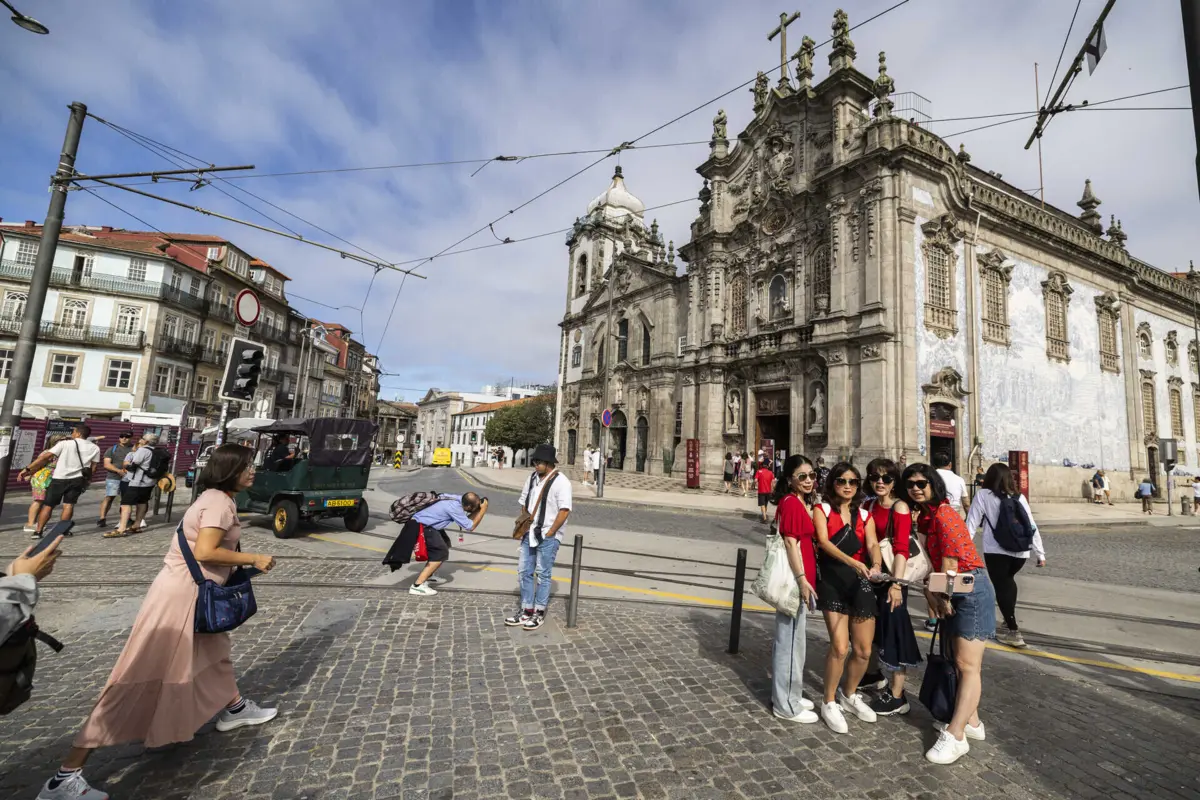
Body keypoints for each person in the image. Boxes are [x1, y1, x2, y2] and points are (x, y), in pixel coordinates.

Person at [37, 445, 278, 800]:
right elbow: (205, 551)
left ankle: (234, 708)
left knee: (214, 656)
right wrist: (254, 557)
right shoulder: (219, 503)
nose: (253, 471)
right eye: (247, 465)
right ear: (230, 469)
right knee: (137, 673)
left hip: (188, 593)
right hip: (180, 598)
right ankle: (65, 775)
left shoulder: (215, 497)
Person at [903, 462, 995, 765]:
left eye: (921, 483)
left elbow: (952, 564)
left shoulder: (943, 514)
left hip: (969, 586)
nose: (916, 488)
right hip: (956, 588)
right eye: (910, 484)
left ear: (934, 485)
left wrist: (941, 598)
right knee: (958, 661)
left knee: (968, 665)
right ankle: (972, 722)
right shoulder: (927, 517)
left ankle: (956, 735)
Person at [813, 462, 883, 734]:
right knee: (840, 647)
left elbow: (873, 544)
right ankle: (828, 700)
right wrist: (854, 564)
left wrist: (875, 564)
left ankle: (849, 693)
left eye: (853, 482)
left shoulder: (865, 516)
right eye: (842, 480)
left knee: (864, 650)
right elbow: (824, 542)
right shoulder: (823, 509)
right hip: (833, 580)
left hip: (860, 581)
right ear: (832, 483)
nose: (847, 485)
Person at [863, 458, 921, 717]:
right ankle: (874, 674)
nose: (880, 482)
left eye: (886, 478)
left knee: (895, 630)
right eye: (875, 477)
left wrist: (896, 585)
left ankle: (898, 695)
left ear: (894, 482)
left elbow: (901, 549)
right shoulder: (869, 504)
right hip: (874, 578)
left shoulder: (900, 508)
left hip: (892, 581)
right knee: (873, 628)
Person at [966, 463, 1046, 649]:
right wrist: (1040, 553)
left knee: (1002, 586)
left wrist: (965, 550)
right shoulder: (1019, 497)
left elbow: (971, 523)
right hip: (1020, 552)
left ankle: (1013, 630)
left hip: (996, 550)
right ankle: (1008, 618)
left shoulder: (983, 495)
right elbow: (1031, 525)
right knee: (1008, 582)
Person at [769, 454, 819, 724]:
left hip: (802, 580)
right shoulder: (790, 503)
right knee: (788, 644)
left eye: (812, 475)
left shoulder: (799, 501)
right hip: (794, 582)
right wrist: (802, 580)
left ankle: (792, 693)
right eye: (802, 476)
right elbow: (790, 544)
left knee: (795, 643)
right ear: (790, 480)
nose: (809, 480)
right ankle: (784, 704)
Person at [506, 444, 572, 630]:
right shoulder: (532, 478)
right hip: (530, 532)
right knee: (524, 571)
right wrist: (525, 523)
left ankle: (539, 612)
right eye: (534, 461)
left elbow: (564, 511)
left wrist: (550, 533)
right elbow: (524, 503)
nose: (535, 464)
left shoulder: (561, 482)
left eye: (539, 462)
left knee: (543, 573)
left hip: (547, 535)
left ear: (549, 463)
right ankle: (526, 610)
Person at [384, 492, 488, 594]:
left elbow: (465, 520)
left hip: (429, 525)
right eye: (474, 507)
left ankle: (429, 576)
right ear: (468, 506)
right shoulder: (454, 507)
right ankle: (418, 586)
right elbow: (470, 526)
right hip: (423, 526)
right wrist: (483, 509)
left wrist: (477, 509)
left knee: (445, 544)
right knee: (440, 553)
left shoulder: (457, 499)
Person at [18, 423, 100, 538]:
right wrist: (88, 481)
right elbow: (94, 467)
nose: (72, 434)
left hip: (59, 478)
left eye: (73, 432)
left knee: (48, 506)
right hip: (78, 480)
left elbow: (44, 457)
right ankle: (63, 530)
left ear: (78, 433)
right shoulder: (95, 448)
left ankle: (38, 531)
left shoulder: (65, 444)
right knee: (69, 505)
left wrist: (27, 469)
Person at [104, 433, 159, 539]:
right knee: (142, 502)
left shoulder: (143, 450)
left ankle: (121, 529)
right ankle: (137, 525)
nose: (140, 440)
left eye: (142, 439)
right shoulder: (156, 451)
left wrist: (127, 465)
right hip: (150, 481)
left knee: (125, 504)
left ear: (146, 441)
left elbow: (134, 463)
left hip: (137, 481)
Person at [22, 435, 63, 535]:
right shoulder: (47, 453)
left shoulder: (59, 453)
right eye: (62, 441)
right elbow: (37, 464)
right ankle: (30, 523)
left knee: (44, 501)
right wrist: (29, 473)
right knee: (38, 500)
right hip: (42, 478)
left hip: (50, 478)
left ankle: (36, 522)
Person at [97, 431, 133, 528]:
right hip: (114, 478)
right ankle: (102, 518)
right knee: (109, 497)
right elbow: (106, 464)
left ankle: (125, 518)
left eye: (127, 436)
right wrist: (118, 471)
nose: (124, 438)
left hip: (129, 478)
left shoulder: (134, 449)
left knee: (126, 499)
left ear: (131, 438)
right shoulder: (112, 449)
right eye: (122, 436)